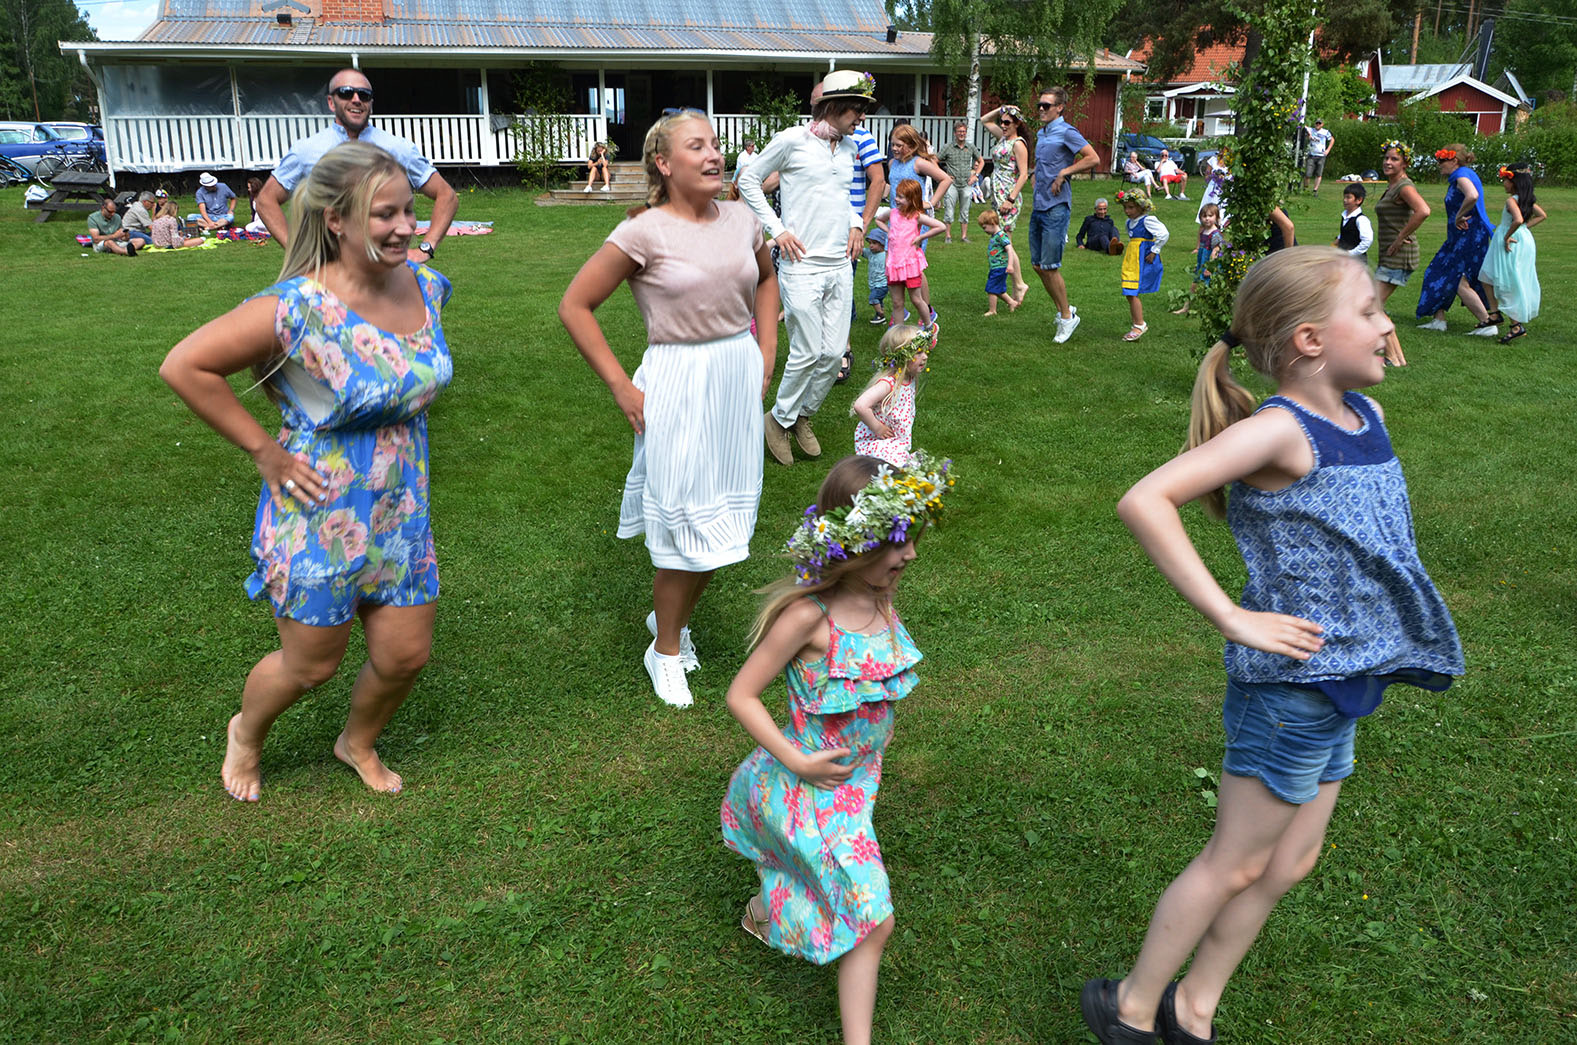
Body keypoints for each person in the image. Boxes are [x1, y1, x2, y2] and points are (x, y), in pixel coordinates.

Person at [1081, 246, 1462, 1045]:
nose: (1386, 323)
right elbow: (1145, 498)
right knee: (1237, 860)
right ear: (1310, 340)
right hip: (1289, 689)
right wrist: (1230, 614)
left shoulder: (1365, 417)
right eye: (1368, 310)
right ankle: (1131, 1009)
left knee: (1288, 862)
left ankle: (1193, 1009)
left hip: (1345, 679)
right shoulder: (1279, 432)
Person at [158, 141, 456, 802]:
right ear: (336, 221)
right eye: (385, 214)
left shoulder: (426, 286)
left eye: (409, 210)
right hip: (318, 509)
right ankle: (246, 731)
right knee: (310, 663)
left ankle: (356, 740)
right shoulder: (296, 307)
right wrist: (267, 451)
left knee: (405, 655)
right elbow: (185, 366)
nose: (406, 225)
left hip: (401, 510)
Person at [721, 451, 953, 1045]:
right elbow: (741, 695)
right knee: (874, 920)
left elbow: (872, 683)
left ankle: (763, 913)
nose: (910, 554)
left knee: (812, 879)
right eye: (896, 544)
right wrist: (797, 759)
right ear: (851, 547)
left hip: (857, 783)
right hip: (808, 786)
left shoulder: (878, 599)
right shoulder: (807, 618)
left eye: (910, 540)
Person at [560, 111, 777, 707]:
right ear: (663, 163)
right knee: (684, 523)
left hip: (734, 376)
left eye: (716, 144)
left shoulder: (740, 217)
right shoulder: (643, 232)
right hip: (677, 379)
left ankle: (668, 626)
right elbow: (575, 305)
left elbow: (766, 280)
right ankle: (667, 651)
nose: (714, 155)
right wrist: (621, 388)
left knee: (723, 524)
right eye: (696, 146)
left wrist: (764, 351)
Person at [738, 69, 873, 467]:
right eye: (858, 109)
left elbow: (839, 198)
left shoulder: (848, 150)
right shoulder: (791, 141)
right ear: (834, 106)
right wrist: (776, 230)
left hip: (839, 265)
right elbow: (749, 180)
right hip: (801, 265)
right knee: (806, 351)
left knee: (832, 356)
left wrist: (856, 222)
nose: (861, 118)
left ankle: (801, 416)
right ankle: (778, 420)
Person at [255, 69, 458, 265]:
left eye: (364, 94)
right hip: (328, 273)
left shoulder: (397, 148)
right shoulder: (306, 150)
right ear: (331, 102)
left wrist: (426, 248)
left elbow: (446, 196)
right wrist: (297, 251)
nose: (356, 99)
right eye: (345, 93)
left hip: (386, 275)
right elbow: (266, 200)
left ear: (370, 103)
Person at [1030, 86, 1101, 343]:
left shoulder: (1067, 131)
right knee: (1037, 265)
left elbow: (1093, 158)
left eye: (1046, 106)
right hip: (1039, 205)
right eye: (1039, 105)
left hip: (1057, 208)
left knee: (1050, 266)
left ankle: (1066, 318)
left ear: (1059, 107)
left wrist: (1064, 173)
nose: (1040, 109)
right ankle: (1066, 311)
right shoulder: (1042, 132)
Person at [1416, 145, 1496, 336]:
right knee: (1436, 270)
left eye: (1442, 160)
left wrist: (1459, 216)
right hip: (1458, 237)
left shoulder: (1461, 176)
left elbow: (1473, 196)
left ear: (1454, 160)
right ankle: (1439, 319)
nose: (1439, 164)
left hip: (1469, 236)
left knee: (1459, 280)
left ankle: (1488, 323)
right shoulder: (1461, 175)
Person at [1373, 140, 1430, 365]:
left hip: (1400, 256)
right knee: (1374, 306)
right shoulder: (1393, 185)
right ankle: (1396, 358)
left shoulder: (1404, 186)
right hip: (1390, 255)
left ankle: (1392, 357)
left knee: (1371, 306)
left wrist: (1399, 237)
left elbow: (1423, 210)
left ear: (1404, 163)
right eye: (1386, 158)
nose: (1388, 162)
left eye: (1394, 159)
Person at [1477, 162, 1545, 344]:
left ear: (1514, 182)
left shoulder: (1512, 201)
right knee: (1487, 276)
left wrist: (1508, 235)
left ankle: (1515, 325)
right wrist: (1523, 229)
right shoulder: (1526, 199)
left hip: (1510, 239)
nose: (1503, 183)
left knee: (1505, 279)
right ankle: (1494, 314)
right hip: (1522, 238)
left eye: (1506, 180)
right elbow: (1541, 215)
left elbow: (1517, 219)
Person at [852, 324, 934, 465]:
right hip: (876, 441)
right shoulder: (889, 383)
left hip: (894, 440)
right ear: (902, 356)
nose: (925, 357)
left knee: (911, 468)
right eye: (919, 352)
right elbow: (860, 405)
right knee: (899, 469)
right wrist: (878, 428)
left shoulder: (909, 378)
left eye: (925, 351)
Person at [979, 104, 1032, 301]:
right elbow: (985, 120)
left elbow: (1024, 174)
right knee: (1002, 241)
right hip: (997, 195)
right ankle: (1017, 284)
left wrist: (1010, 199)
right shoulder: (1002, 138)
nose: (1003, 125)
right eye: (1002, 122)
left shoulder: (1018, 144)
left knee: (1004, 241)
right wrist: (1002, 109)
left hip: (1008, 196)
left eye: (1007, 122)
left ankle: (1019, 284)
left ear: (1017, 123)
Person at [877, 178, 945, 330]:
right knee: (897, 302)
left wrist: (921, 237)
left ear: (912, 199)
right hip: (894, 264)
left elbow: (940, 226)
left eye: (901, 197)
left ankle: (929, 326)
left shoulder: (917, 216)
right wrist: (889, 231)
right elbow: (879, 220)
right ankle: (898, 333)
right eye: (897, 195)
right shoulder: (892, 213)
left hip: (910, 264)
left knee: (916, 299)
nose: (897, 199)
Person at [1115, 188, 1167, 342]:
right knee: (1129, 291)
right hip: (1132, 258)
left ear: (1141, 206)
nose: (1127, 211)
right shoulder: (1129, 223)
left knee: (1131, 291)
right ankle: (1137, 323)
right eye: (1125, 207)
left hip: (1141, 259)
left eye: (1131, 207)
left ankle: (1139, 324)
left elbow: (1164, 234)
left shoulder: (1148, 220)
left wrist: (1154, 250)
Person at [1173, 202, 1222, 317]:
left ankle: (1213, 309)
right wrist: (1199, 264)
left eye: (1210, 216)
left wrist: (1210, 268)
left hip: (1210, 265)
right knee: (1194, 285)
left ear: (1217, 217)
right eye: (1204, 216)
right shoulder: (1203, 231)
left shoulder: (1216, 234)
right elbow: (1201, 251)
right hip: (1202, 264)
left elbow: (1215, 251)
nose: (1207, 219)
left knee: (1210, 287)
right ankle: (1186, 307)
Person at [937, 121, 982, 243]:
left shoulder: (970, 147)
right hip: (952, 183)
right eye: (959, 131)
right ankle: (948, 236)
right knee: (949, 209)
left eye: (964, 131)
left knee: (965, 210)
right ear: (955, 133)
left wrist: (975, 176)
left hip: (966, 183)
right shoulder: (948, 147)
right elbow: (935, 160)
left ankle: (964, 236)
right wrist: (943, 176)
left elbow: (981, 161)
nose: (962, 134)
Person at [979, 210, 1023, 314]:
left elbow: (1009, 249)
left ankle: (992, 310)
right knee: (998, 289)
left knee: (991, 288)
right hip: (995, 267)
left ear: (992, 223)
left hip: (1000, 267)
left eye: (984, 227)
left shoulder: (1001, 236)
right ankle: (1011, 302)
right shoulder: (995, 236)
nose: (984, 230)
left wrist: (1010, 265)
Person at [1333, 182, 1373, 261]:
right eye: (1344, 197)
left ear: (1359, 200)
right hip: (1344, 259)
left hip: (1357, 261)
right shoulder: (1345, 216)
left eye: (1348, 198)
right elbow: (1346, 232)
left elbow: (1367, 240)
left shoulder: (1361, 220)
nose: (1344, 200)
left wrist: (1351, 253)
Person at [863, 226, 890, 324]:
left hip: (882, 284)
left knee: (873, 298)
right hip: (873, 284)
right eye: (870, 243)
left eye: (874, 243)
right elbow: (861, 251)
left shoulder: (885, 255)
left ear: (882, 243)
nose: (871, 246)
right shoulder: (870, 253)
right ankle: (880, 318)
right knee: (879, 301)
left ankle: (881, 314)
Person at [1302, 117, 1335, 196]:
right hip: (1311, 155)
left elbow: (1332, 140)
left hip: (1321, 155)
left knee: (1319, 174)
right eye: (1317, 123)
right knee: (1307, 174)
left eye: (1319, 123)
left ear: (1322, 124)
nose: (1318, 125)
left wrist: (1328, 150)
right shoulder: (1311, 130)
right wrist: (1308, 135)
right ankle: (1305, 188)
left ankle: (1315, 190)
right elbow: (1303, 126)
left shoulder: (1325, 132)